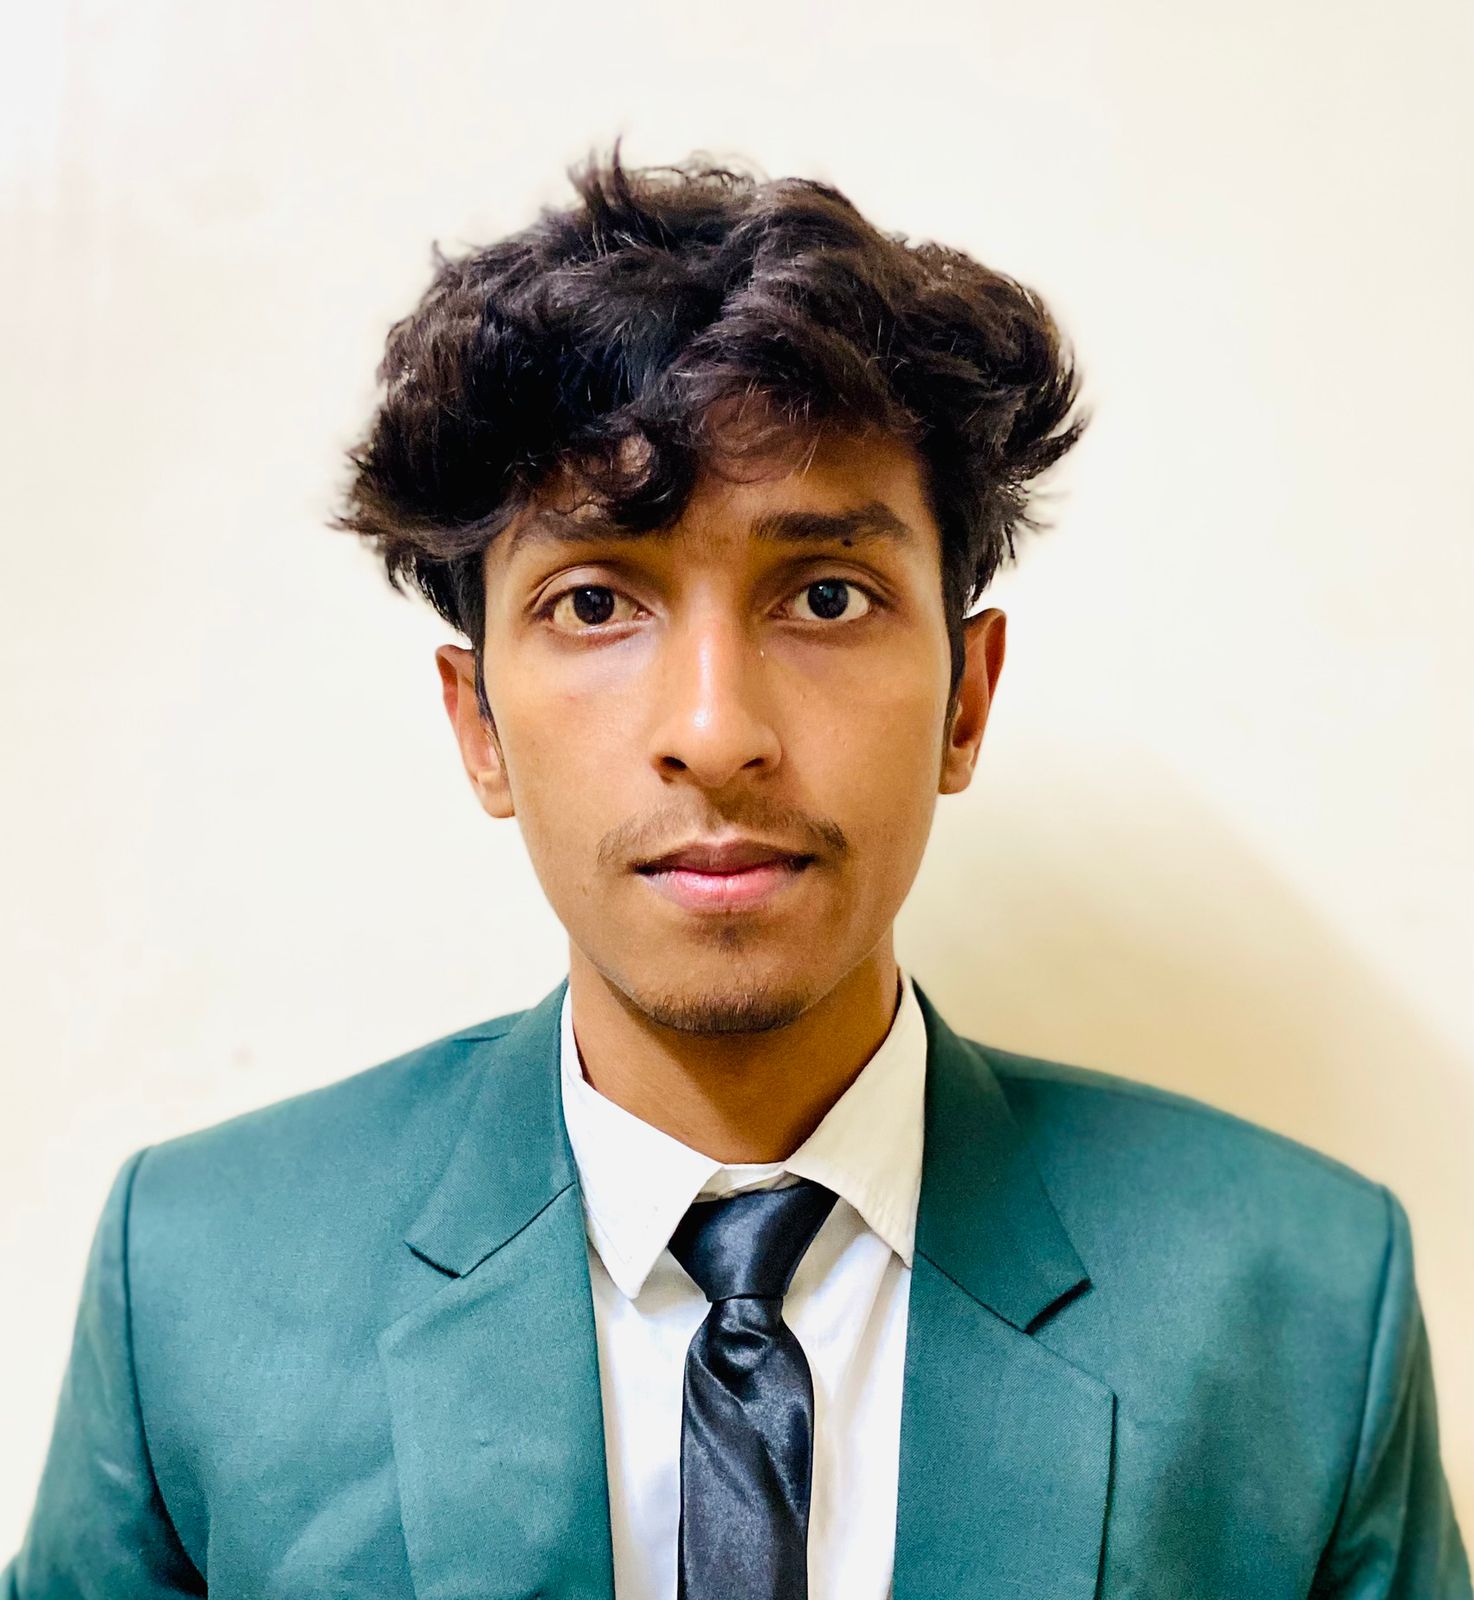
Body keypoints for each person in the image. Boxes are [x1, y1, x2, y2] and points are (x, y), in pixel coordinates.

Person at [5, 142, 1468, 1600]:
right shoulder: (192, 1286)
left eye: (825, 596)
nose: (714, 732)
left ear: (965, 702)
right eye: (594, 603)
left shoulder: (1304, 1301)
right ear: (479, 727)